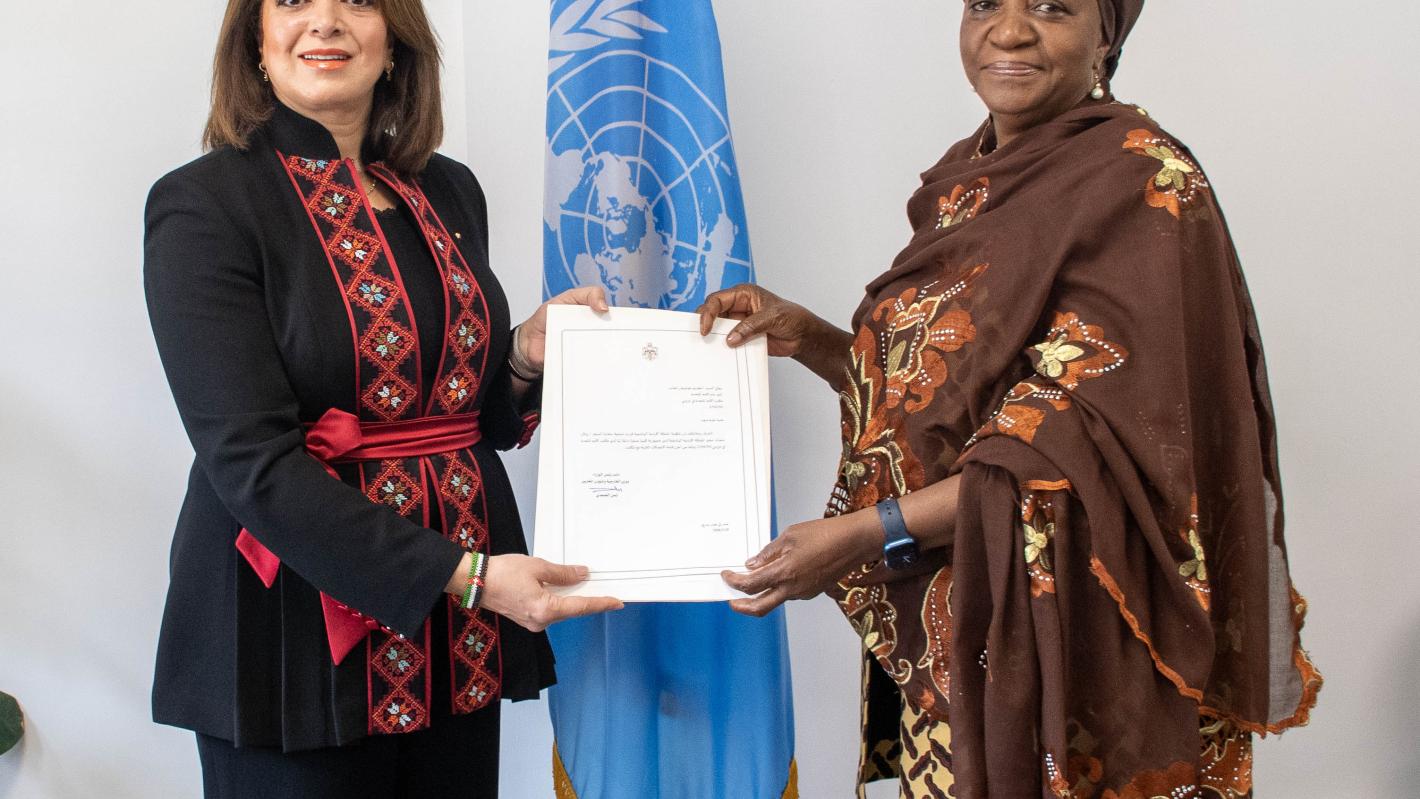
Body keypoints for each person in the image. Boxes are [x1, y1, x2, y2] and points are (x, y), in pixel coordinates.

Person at [700, 1, 1321, 796]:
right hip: (961, 631)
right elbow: (950, 388)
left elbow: (1068, 447)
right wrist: (813, 340)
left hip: (1074, 645)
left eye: (1052, 8)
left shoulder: (1146, 184)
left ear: (1107, 35)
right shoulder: (972, 177)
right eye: (986, 3)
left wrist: (865, 532)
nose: (1011, 30)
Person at [143, 1, 621, 795]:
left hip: (459, 632)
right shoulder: (204, 204)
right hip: (294, 633)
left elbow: (462, 416)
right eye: (293, 0)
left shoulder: (450, 189)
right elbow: (250, 463)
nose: (325, 21)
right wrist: (466, 575)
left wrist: (524, 357)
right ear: (254, 42)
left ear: (395, 38)